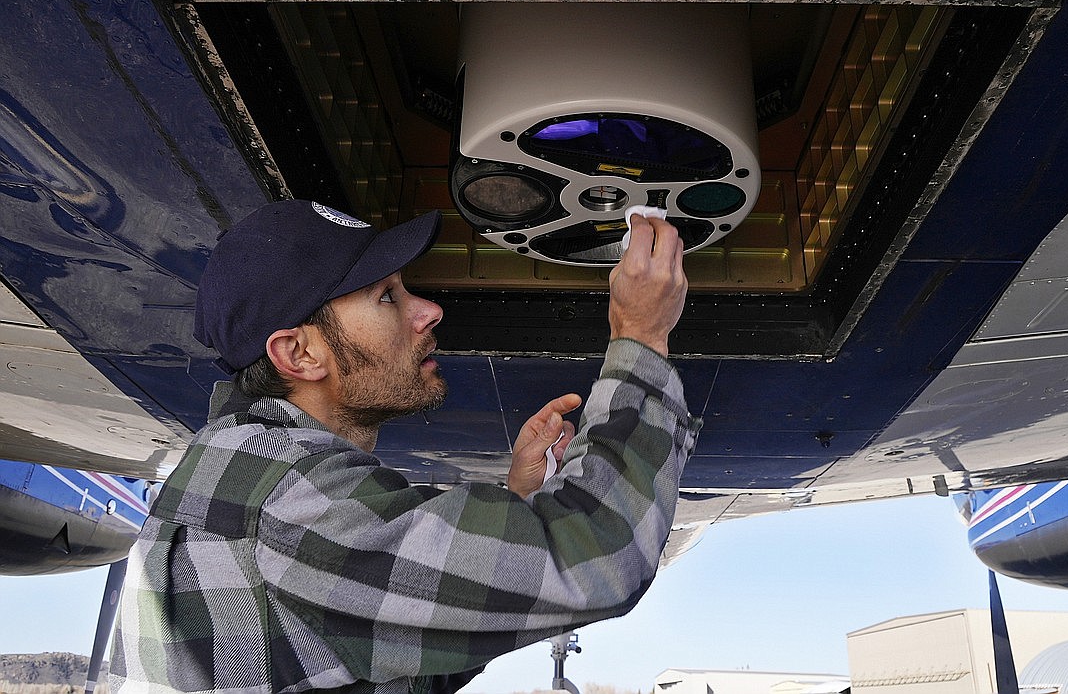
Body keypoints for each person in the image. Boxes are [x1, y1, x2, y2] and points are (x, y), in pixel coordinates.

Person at [110, 199, 700, 694]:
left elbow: (386, 662)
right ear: (300, 354)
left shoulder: (244, 473)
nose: (428, 310)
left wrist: (517, 498)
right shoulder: (293, 504)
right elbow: (597, 556)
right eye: (387, 297)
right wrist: (641, 337)